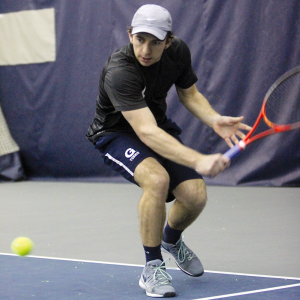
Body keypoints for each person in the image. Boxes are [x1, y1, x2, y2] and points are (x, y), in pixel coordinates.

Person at [87, 4, 251, 298]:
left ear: (169, 41)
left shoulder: (178, 53)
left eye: (155, 41)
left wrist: (214, 119)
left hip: (156, 126)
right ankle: (152, 267)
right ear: (130, 35)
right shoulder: (120, 70)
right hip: (116, 133)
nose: (146, 49)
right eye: (140, 39)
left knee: (195, 195)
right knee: (157, 180)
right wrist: (198, 159)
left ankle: (171, 240)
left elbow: (189, 93)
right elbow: (145, 131)